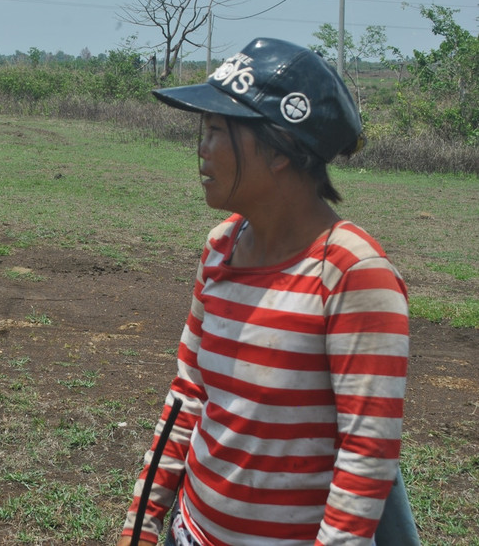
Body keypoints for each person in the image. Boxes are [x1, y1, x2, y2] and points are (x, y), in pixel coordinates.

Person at [117, 38, 411, 546]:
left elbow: (364, 459)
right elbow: (189, 393)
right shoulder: (221, 249)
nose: (201, 149)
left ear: (278, 149)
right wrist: (141, 523)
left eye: (214, 131)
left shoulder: (352, 275)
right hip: (191, 533)